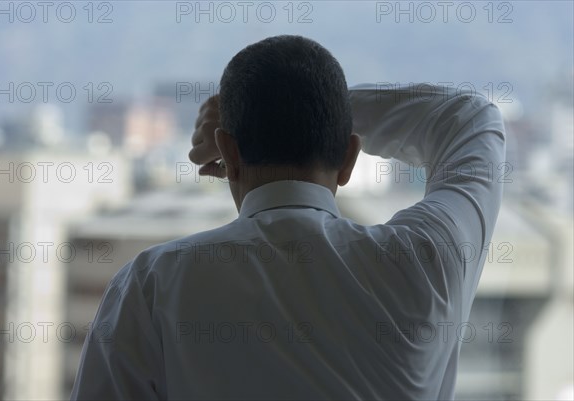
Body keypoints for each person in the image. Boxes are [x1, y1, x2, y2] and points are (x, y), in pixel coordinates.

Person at [71, 35, 506, 400]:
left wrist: (257, 114)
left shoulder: (152, 285)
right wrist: (314, 112)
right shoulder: (428, 261)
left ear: (228, 153)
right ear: (349, 157)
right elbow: (471, 120)